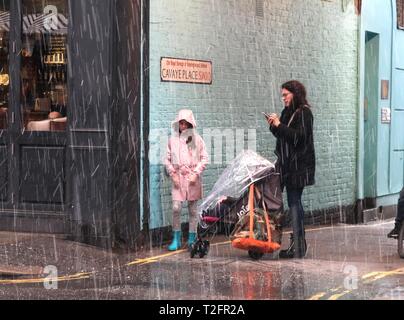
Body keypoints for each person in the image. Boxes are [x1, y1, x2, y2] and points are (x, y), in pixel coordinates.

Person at [267, 80, 315, 259]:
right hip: (288, 165)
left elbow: (298, 138)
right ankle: (298, 244)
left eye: (286, 95)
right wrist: (274, 125)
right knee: (292, 202)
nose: (284, 99)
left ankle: (299, 245)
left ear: (295, 94)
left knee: (294, 203)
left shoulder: (304, 113)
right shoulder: (288, 112)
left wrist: (279, 125)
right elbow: (284, 135)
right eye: (282, 96)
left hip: (298, 166)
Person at [165, 109, 208, 251]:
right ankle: (176, 238)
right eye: (181, 123)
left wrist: (196, 173)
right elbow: (166, 159)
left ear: (190, 124)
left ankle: (191, 238)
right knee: (176, 208)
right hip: (178, 177)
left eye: (185, 123)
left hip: (192, 179)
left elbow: (204, 158)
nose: (183, 126)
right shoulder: (172, 140)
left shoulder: (197, 140)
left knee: (193, 210)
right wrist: (173, 174)